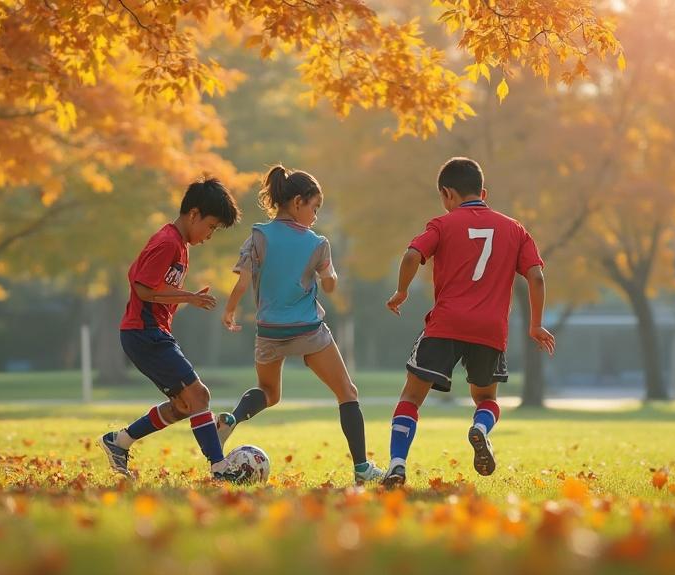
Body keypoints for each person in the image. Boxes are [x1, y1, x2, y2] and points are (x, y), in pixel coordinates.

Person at [383, 157, 556, 487]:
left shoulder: (441, 224)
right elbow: (536, 276)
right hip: (490, 330)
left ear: (447, 194)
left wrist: (401, 291)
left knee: (411, 397)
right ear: (483, 192)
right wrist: (535, 324)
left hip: (446, 324)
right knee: (486, 399)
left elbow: (410, 256)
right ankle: (480, 427)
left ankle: (396, 464)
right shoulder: (515, 229)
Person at [217, 165, 384, 484]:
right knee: (347, 392)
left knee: (268, 392)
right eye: (315, 207)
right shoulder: (317, 244)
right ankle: (362, 468)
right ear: (297, 202)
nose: (316, 215)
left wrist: (229, 311)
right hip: (308, 331)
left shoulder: (258, 236)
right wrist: (332, 278)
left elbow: (243, 282)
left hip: (269, 330)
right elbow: (331, 287)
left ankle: (231, 418)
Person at [98, 177, 242, 482]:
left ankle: (119, 441)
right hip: (145, 333)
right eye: (211, 226)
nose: (209, 235)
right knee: (199, 396)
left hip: (150, 332)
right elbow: (142, 287)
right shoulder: (167, 242)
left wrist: (184, 298)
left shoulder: (179, 244)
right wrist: (188, 296)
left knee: (184, 405)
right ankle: (220, 468)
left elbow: (148, 281)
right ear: (194, 214)